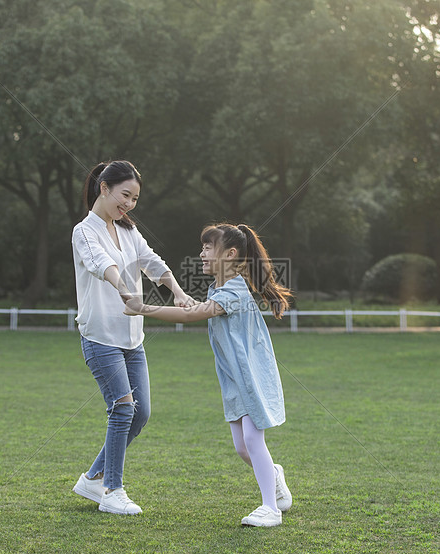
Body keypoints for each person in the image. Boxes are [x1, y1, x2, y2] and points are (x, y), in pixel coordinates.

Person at [124, 223, 293, 527]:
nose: (201, 252)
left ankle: (271, 508)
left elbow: (194, 315)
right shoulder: (219, 289)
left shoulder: (235, 288)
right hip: (233, 377)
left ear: (229, 254)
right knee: (243, 447)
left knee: (254, 441)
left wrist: (143, 308)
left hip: (251, 375)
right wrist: (189, 302)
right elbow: (201, 309)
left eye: (207, 247)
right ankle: (275, 475)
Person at [71, 160, 194, 515]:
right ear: (104, 187)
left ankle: (93, 477)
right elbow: (100, 264)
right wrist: (125, 290)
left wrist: (177, 291)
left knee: (140, 414)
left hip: (132, 339)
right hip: (100, 337)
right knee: (123, 407)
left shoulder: (128, 231)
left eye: (135, 198)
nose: (129, 204)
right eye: (125, 195)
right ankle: (112, 490)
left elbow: (151, 261)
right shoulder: (84, 232)